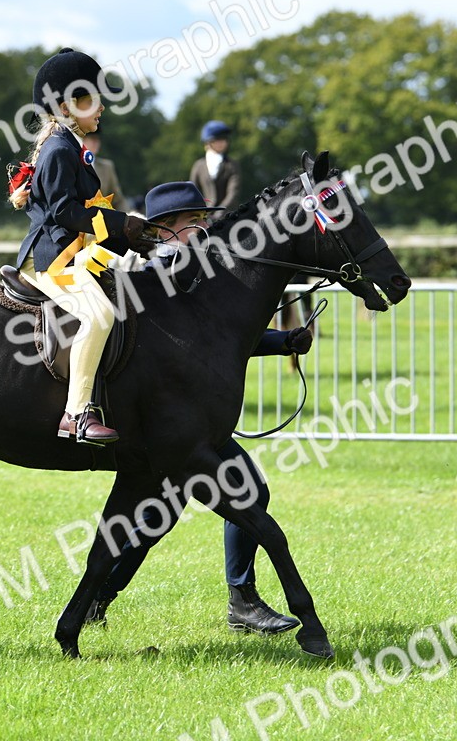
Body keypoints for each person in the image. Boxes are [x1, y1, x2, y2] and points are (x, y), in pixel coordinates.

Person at [87, 181, 313, 635]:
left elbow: (217, 343)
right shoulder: (159, 278)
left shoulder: (194, 272)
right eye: (195, 222)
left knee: (170, 515)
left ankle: (235, 598)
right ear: (166, 230)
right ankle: (236, 600)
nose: (206, 229)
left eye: (206, 220)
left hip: (187, 422)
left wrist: (281, 340)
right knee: (165, 516)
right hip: (166, 422)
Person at [9, 48, 155, 444]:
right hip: (52, 259)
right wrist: (120, 225)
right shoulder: (59, 149)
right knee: (99, 315)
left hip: (73, 252)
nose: (102, 106)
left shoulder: (70, 145)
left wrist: (131, 235)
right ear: (66, 106)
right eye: (92, 98)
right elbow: (63, 212)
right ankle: (76, 414)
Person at [189, 120, 241, 213]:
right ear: (208, 142)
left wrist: (220, 211)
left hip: (228, 214)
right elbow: (193, 192)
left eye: (224, 139)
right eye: (217, 140)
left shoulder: (232, 165)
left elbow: (233, 193)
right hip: (205, 215)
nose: (222, 142)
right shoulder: (198, 166)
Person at [83, 130, 126, 212]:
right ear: (83, 141)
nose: (96, 143)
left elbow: (118, 199)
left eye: (97, 139)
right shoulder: (74, 163)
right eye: (92, 139)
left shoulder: (107, 167)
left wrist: (127, 218)